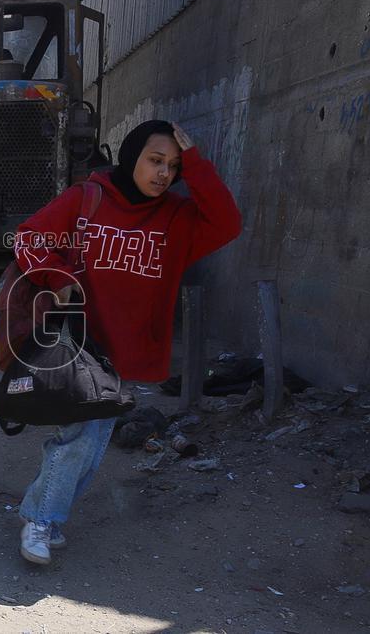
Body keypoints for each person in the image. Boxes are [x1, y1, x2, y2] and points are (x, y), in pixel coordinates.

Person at [12, 120, 242, 565]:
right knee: (80, 436)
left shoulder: (177, 217)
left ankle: (45, 515)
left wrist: (195, 165)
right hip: (81, 342)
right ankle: (40, 517)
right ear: (132, 156)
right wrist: (57, 278)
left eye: (172, 166)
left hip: (130, 346)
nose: (163, 174)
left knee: (92, 442)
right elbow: (31, 237)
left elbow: (227, 223)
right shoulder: (88, 197)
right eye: (156, 161)